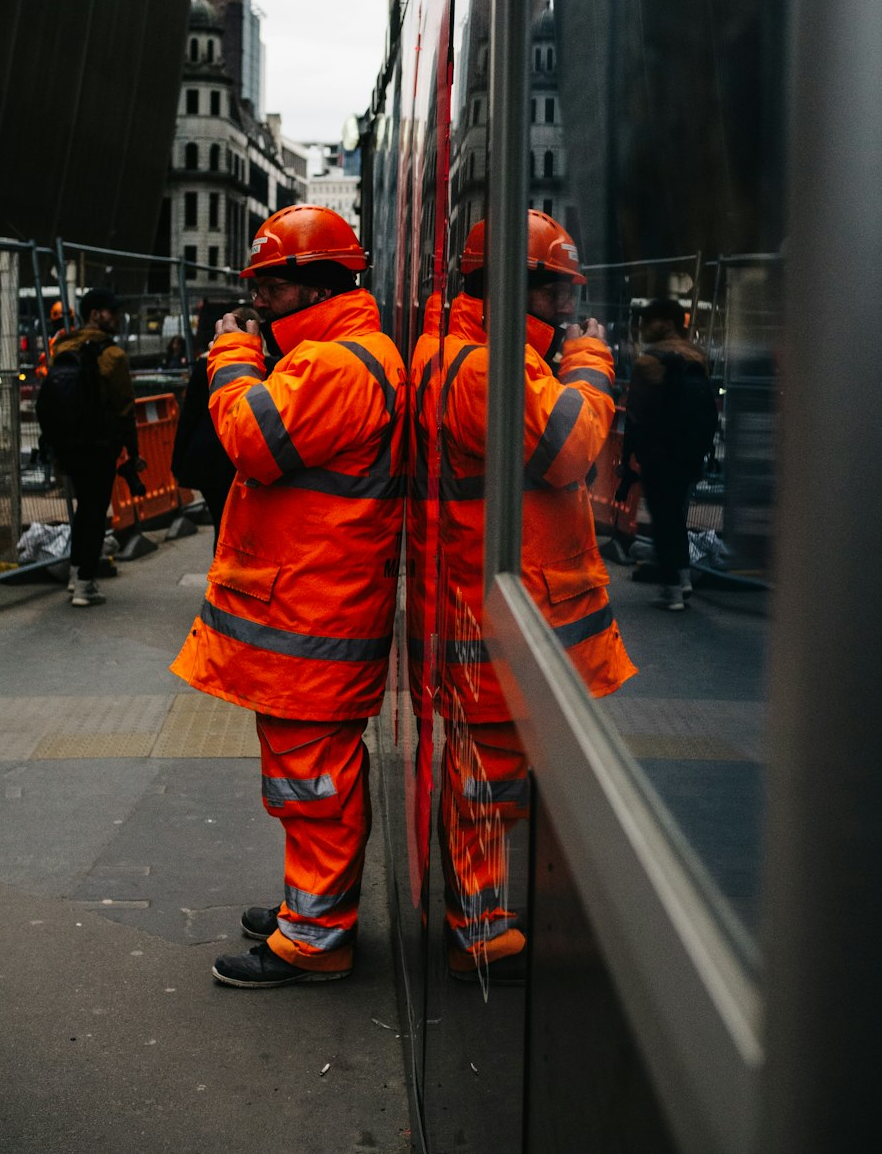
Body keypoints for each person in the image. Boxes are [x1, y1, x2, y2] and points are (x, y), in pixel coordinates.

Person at [170, 205, 407, 988]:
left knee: (316, 783)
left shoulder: (336, 365)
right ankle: (313, 910)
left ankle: (316, 938)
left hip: (315, 616)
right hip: (312, 611)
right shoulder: (335, 357)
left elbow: (251, 441)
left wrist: (231, 351)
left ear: (313, 284)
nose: (259, 306)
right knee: (312, 778)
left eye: (268, 290)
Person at [418, 211, 637, 979]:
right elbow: (567, 449)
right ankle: (479, 930)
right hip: (497, 618)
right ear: (513, 286)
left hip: (505, 610)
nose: (568, 310)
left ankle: (485, 920)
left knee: (494, 777)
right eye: (555, 293)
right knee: (485, 779)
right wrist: (593, 366)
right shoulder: (482, 365)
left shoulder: (495, 354)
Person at [44, 287, 145, 607]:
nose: (117, 317)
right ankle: (86, 584)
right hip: (99, 445)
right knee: (94, 511)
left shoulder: (63, 345)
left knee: (82, 510)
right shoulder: (112, 355)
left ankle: (77, 576)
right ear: (95, 315)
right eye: (111, 312)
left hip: (67, 443)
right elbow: (125, 406)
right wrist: (133, 452)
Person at [623, 298, 718, 611]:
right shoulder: (697, 356)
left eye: (648, 320)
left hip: (659, 453)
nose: (643, 327)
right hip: (690, 452)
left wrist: (631, 459)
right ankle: (684, 576)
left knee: (664, 518)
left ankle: (673, 589)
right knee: (676, 515)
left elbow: (636, 415)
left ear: (661, 323)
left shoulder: (649, 361)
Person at [169, 309, 259, 548]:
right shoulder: (261, 364)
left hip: (208, 457)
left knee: (221, 525)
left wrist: (178, 461)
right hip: (237, 459)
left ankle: (220, 577)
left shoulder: (205, 364)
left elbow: (190, 415)